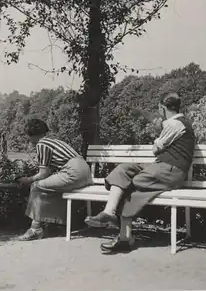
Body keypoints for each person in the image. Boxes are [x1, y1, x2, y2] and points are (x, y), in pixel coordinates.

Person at [84, 91, 196, 252]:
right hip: (161, 168)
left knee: (132, 183)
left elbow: (156, 149)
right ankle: (110, 213)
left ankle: (123, 236)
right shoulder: (177, 122)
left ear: (162, 108)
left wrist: (157, 137)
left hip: (171, 171)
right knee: (124, 169)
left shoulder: (174, 124)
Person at [17, 118, 93, 241]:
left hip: (72, 172)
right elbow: (50, 172)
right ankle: (59, 224)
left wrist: (27, 180)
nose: (28, 140)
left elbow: (43, 174)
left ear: (31, 134)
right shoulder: (53, 141)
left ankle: (35, 229)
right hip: (85, 173)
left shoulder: (42, 144)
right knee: (51, 188)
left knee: (36, 186)